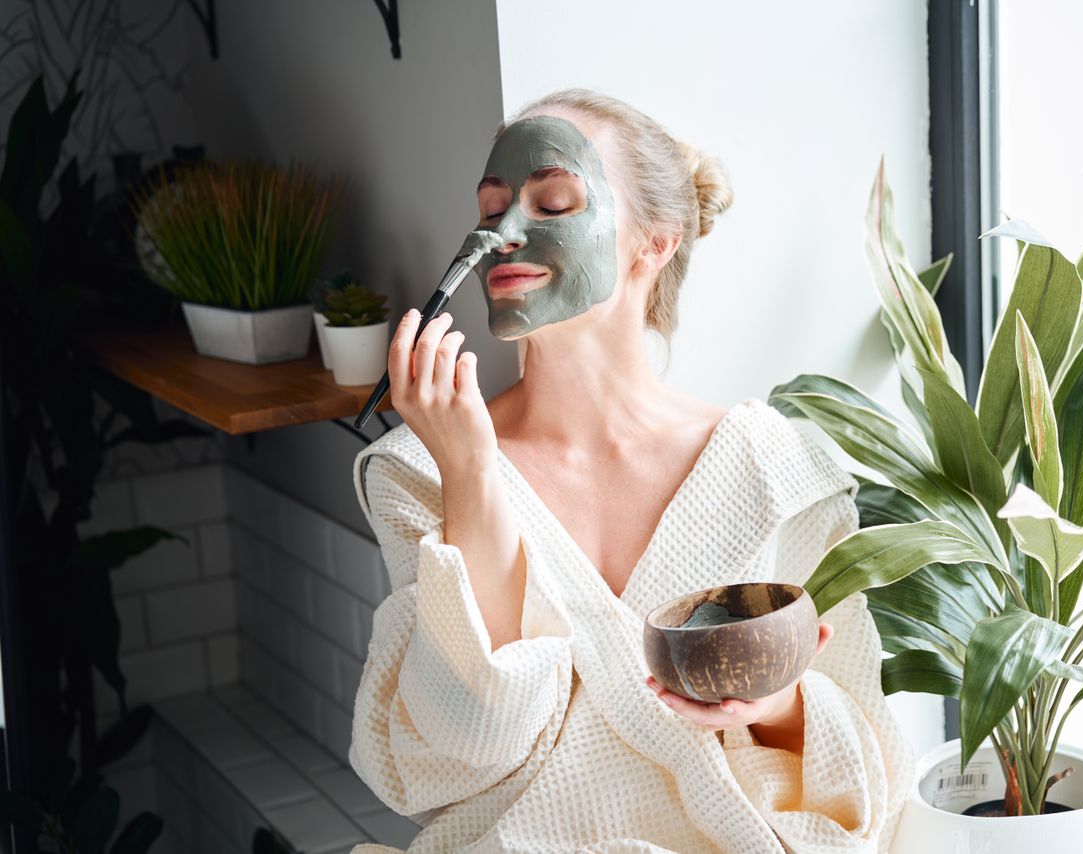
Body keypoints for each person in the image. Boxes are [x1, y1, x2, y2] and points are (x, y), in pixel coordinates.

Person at [348, 88, 914, 853]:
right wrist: (472, 471)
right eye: (490, 211)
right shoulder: (421, 471)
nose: (504, 235)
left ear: (655, 242)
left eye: (553, 203)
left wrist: (774, 704)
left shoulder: (773, 466)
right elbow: (470, 739)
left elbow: (867, 758)